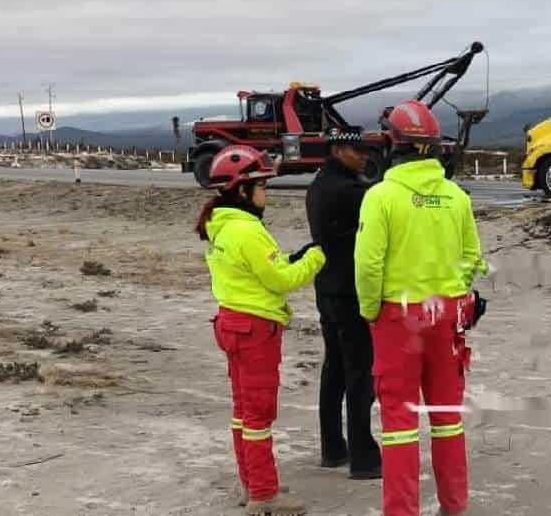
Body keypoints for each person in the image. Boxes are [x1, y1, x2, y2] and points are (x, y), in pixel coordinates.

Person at [355, 100, 488, 516]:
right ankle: (454, 505)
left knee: (399, 425)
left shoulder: (381, 197)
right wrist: (455, 296)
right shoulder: (456, 197)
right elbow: (473, 258)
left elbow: (368, 264)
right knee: (448, 417)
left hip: (398, 318)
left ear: (393, 145)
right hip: (447, 317)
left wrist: (370, 309)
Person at [196, 145, 325, 516]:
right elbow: (281, 280)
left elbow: (260, 271)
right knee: (259, 415)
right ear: (242, 191)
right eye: (262, 187)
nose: (265, 194)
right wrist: (316, 257)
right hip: (255, 330)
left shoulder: (222, 225)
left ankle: (252, 480)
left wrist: (292, 258)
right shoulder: (246, 230)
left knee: (243, 412)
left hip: (232, 323)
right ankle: (264, 495)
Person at [305, 126, 382, 479]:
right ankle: (364, 458)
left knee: (334, 368)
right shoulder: (349, 191)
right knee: (359, 372)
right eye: (357, 151)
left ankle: (333, 448)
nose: (364, 156)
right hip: (350, 291)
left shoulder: (320, 184)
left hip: (327, 287)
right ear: (338, 150)